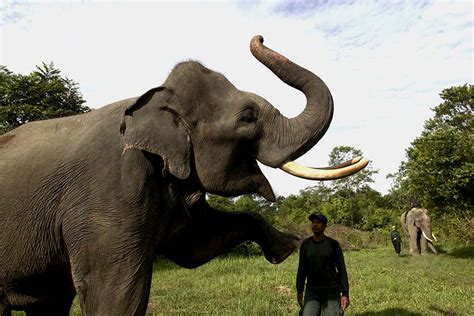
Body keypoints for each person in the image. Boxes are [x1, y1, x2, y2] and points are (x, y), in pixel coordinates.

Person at [296, 213, 350, 316]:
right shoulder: (306, 245)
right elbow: (301, 269)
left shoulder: (333, 244)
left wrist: (345, 293)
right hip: (312, 290)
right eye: (313, 222)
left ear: (325, 226)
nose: (315, 225)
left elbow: (342, 269)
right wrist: (299, 290)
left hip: (331, 290)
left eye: (318, 222)